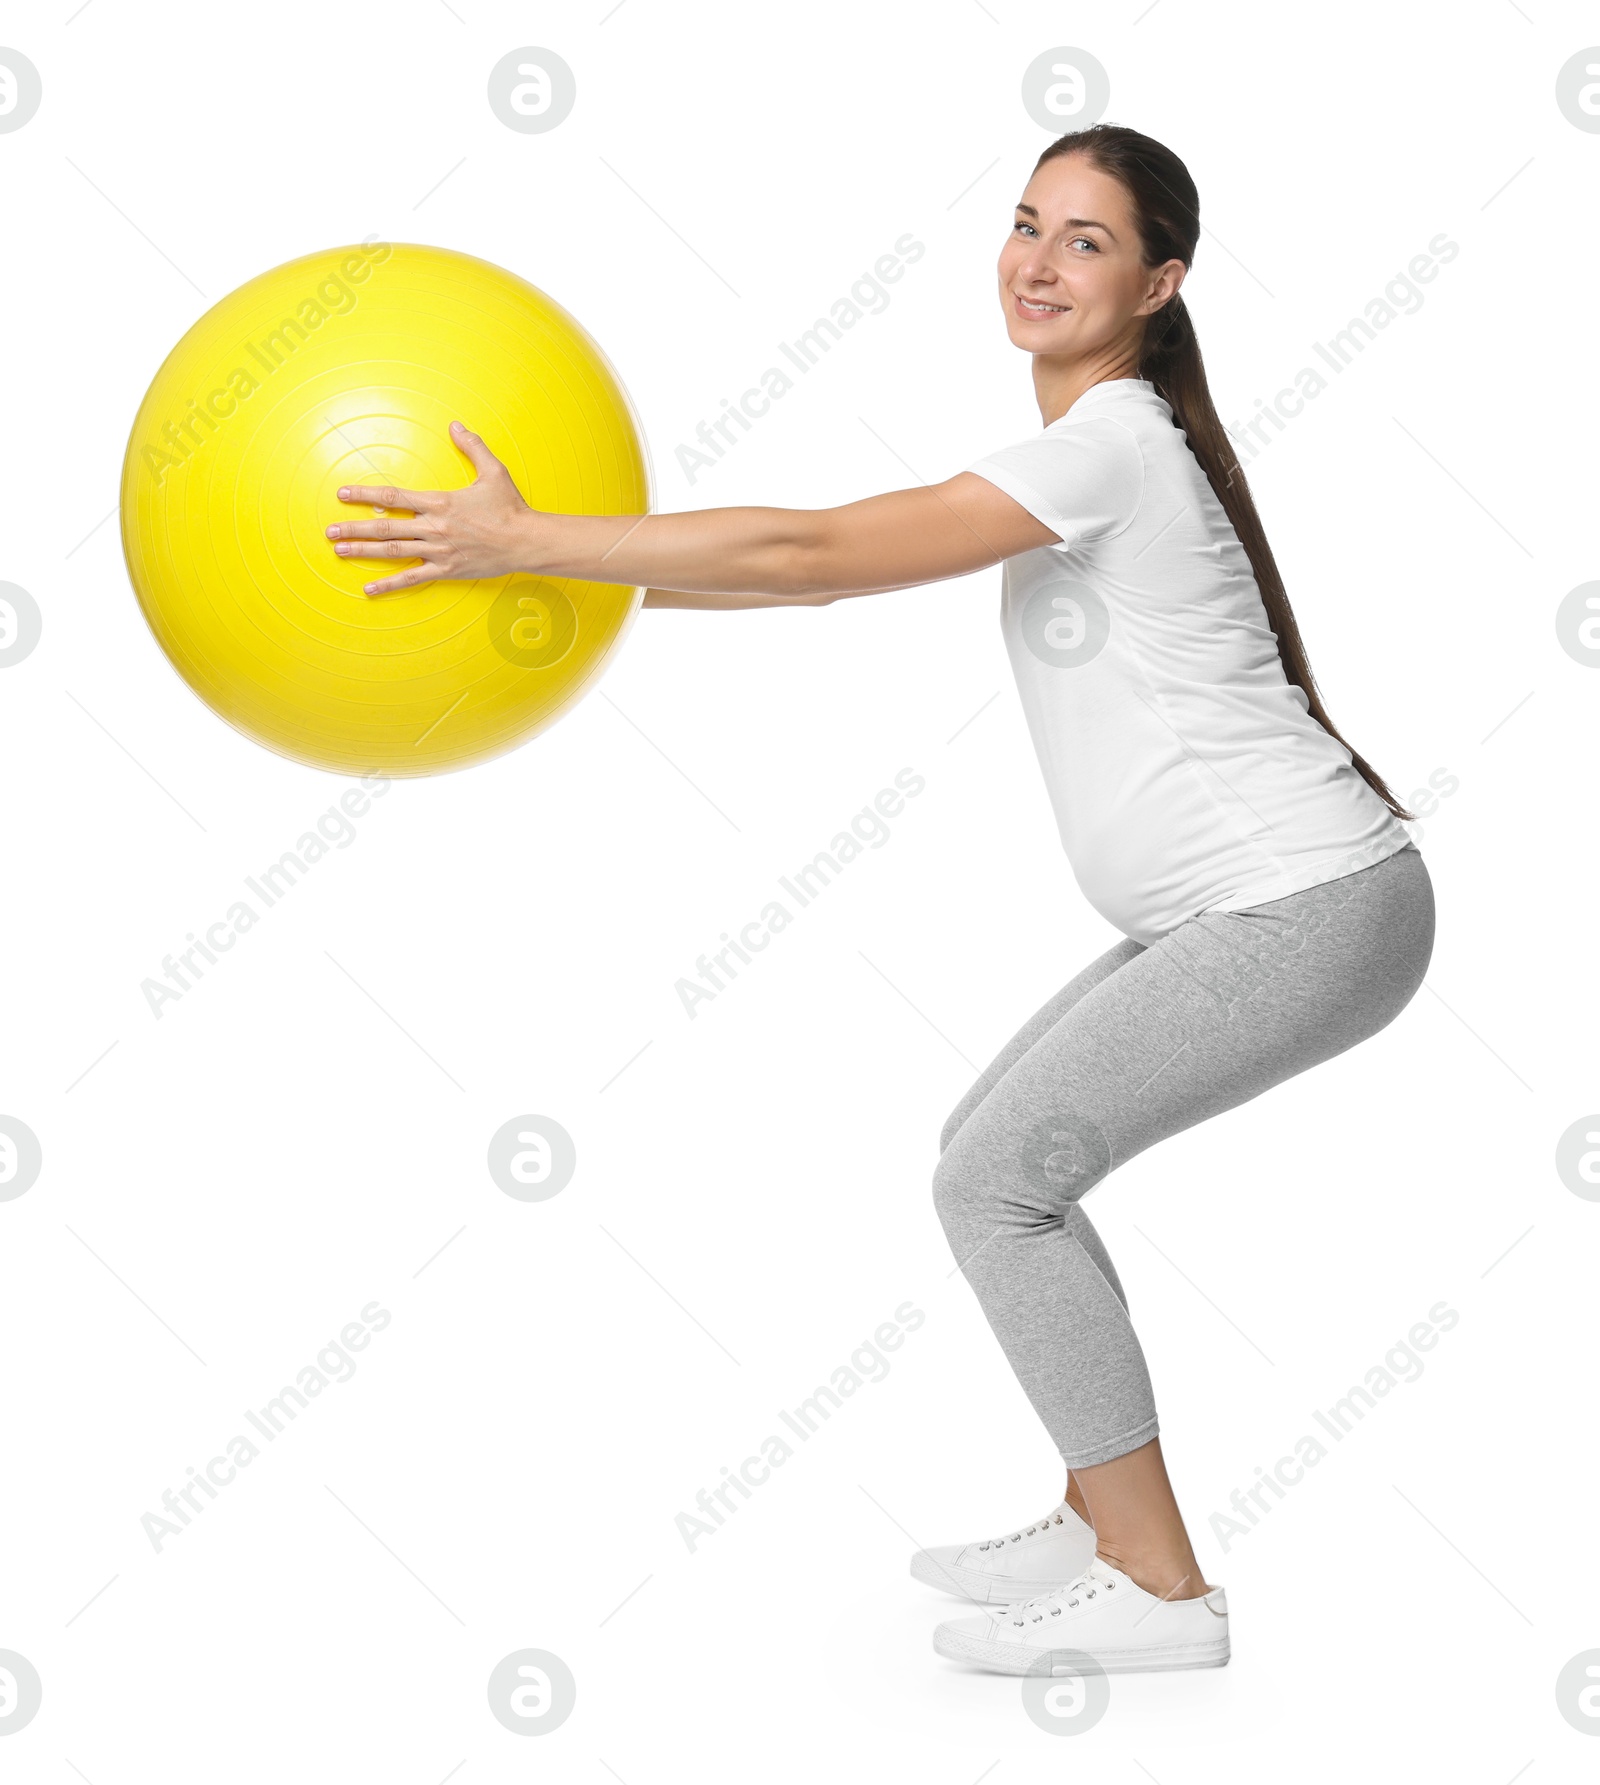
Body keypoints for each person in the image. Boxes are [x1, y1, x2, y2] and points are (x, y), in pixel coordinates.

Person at [323, 122, 1436, 1677]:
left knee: (997, 1182)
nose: (1038, 262)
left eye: (1088, 241)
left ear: (1161, 282)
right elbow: (798, 569)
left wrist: (523, 538)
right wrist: (557, 568)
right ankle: (1105, 1513)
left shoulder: (1108, 443)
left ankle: (1162, 1593)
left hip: (1309, 911)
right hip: (1280, 908)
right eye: (1026, 223)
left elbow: (815, 551)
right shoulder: (1105, 443)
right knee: (993, 1155)